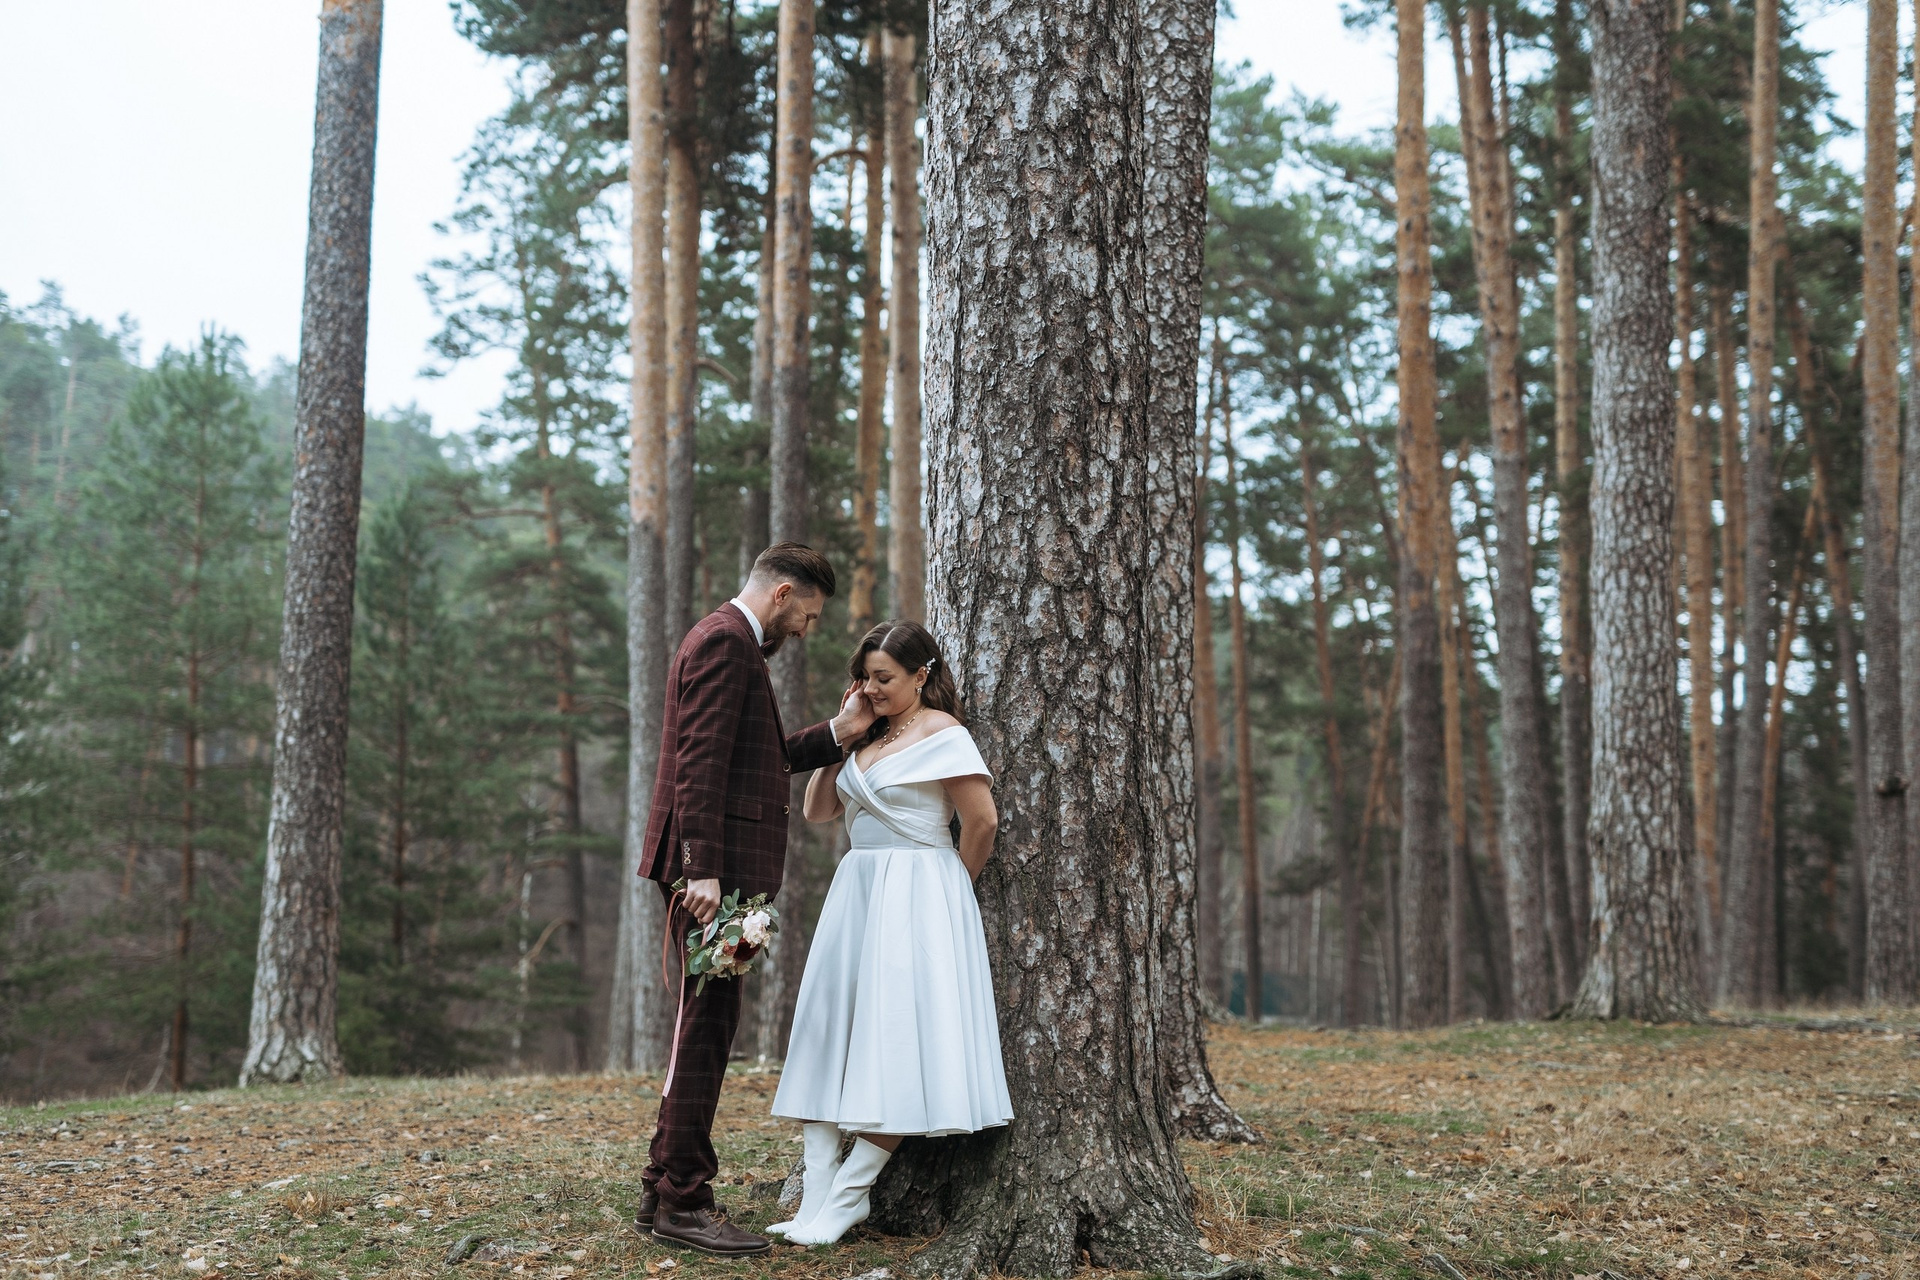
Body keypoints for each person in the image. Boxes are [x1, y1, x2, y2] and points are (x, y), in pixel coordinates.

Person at [634, 543, 877, 1257]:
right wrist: (703, 869)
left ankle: (662, 1191)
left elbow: (754, 755)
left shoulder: (733, 644)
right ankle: (684, 1201)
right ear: (781, 593)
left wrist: (840, 735)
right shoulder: (725, 643)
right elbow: (699, 762)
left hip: (718, 873)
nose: (806, 628)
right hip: (714, 878)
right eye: (808, 612)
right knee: (704, 1035)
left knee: (702, 1030)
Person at [766, 619, 1013, 1247]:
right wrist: (843, 733)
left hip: (919, 892)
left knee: (901, 1039)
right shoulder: (864, 732)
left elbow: (980, 819)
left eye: (886, 679)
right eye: (866, 677)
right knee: (831, 1032)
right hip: (858, 891)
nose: (873, 688)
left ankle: (851, 1195)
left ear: (921, 675)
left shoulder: (943, 733)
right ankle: (816, 1196)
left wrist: (951, 886)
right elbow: (820, 811)